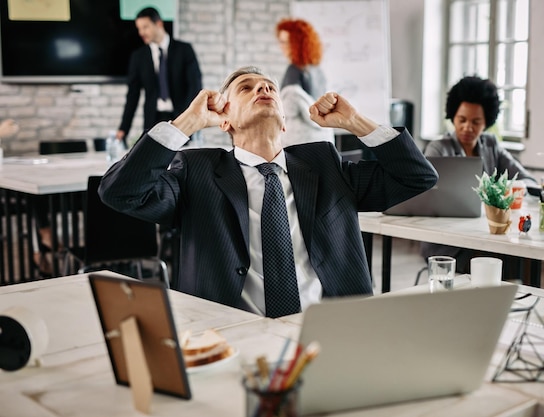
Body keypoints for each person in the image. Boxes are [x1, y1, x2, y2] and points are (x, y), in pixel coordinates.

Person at [99, 66, 438, 317]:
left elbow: (417, 178)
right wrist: (186, 122)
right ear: (224, 120)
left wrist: (355, 122)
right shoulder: (196, 171)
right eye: (246, 88)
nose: (262, 88)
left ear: (285, 121)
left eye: (268, 87)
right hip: (231, 334)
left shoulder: (324, 165)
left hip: (330, 329)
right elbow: (121, 192)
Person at [421, 75, 537, 273]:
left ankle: (507, 302)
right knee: (501, 261)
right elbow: (430, 196)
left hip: (485, 235)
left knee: (519, 256)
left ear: (487, 122)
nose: (468, 127)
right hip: (449, 243)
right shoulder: (438, 149)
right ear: (453, 117)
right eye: (462, 120)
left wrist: (511, 188)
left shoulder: (491, 145)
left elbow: (527, 180)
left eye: (476, 122)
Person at [116, 7, 202, 145]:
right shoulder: (138, 57)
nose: (141, 32)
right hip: (152, 121)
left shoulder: (184, 50)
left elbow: (195, 87)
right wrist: (123, 129)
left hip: (181, 118)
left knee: (182, 161)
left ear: (159, 24)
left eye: (145, 27)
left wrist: (190, 118)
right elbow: (133, 95)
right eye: (139, 28)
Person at [275, 18, 334, 147]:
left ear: (297, 44)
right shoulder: (318, 70)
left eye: (285, 42)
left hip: (301, 143)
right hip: (324, 138)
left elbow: (289, 108)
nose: (281, 47)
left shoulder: (293, 70)